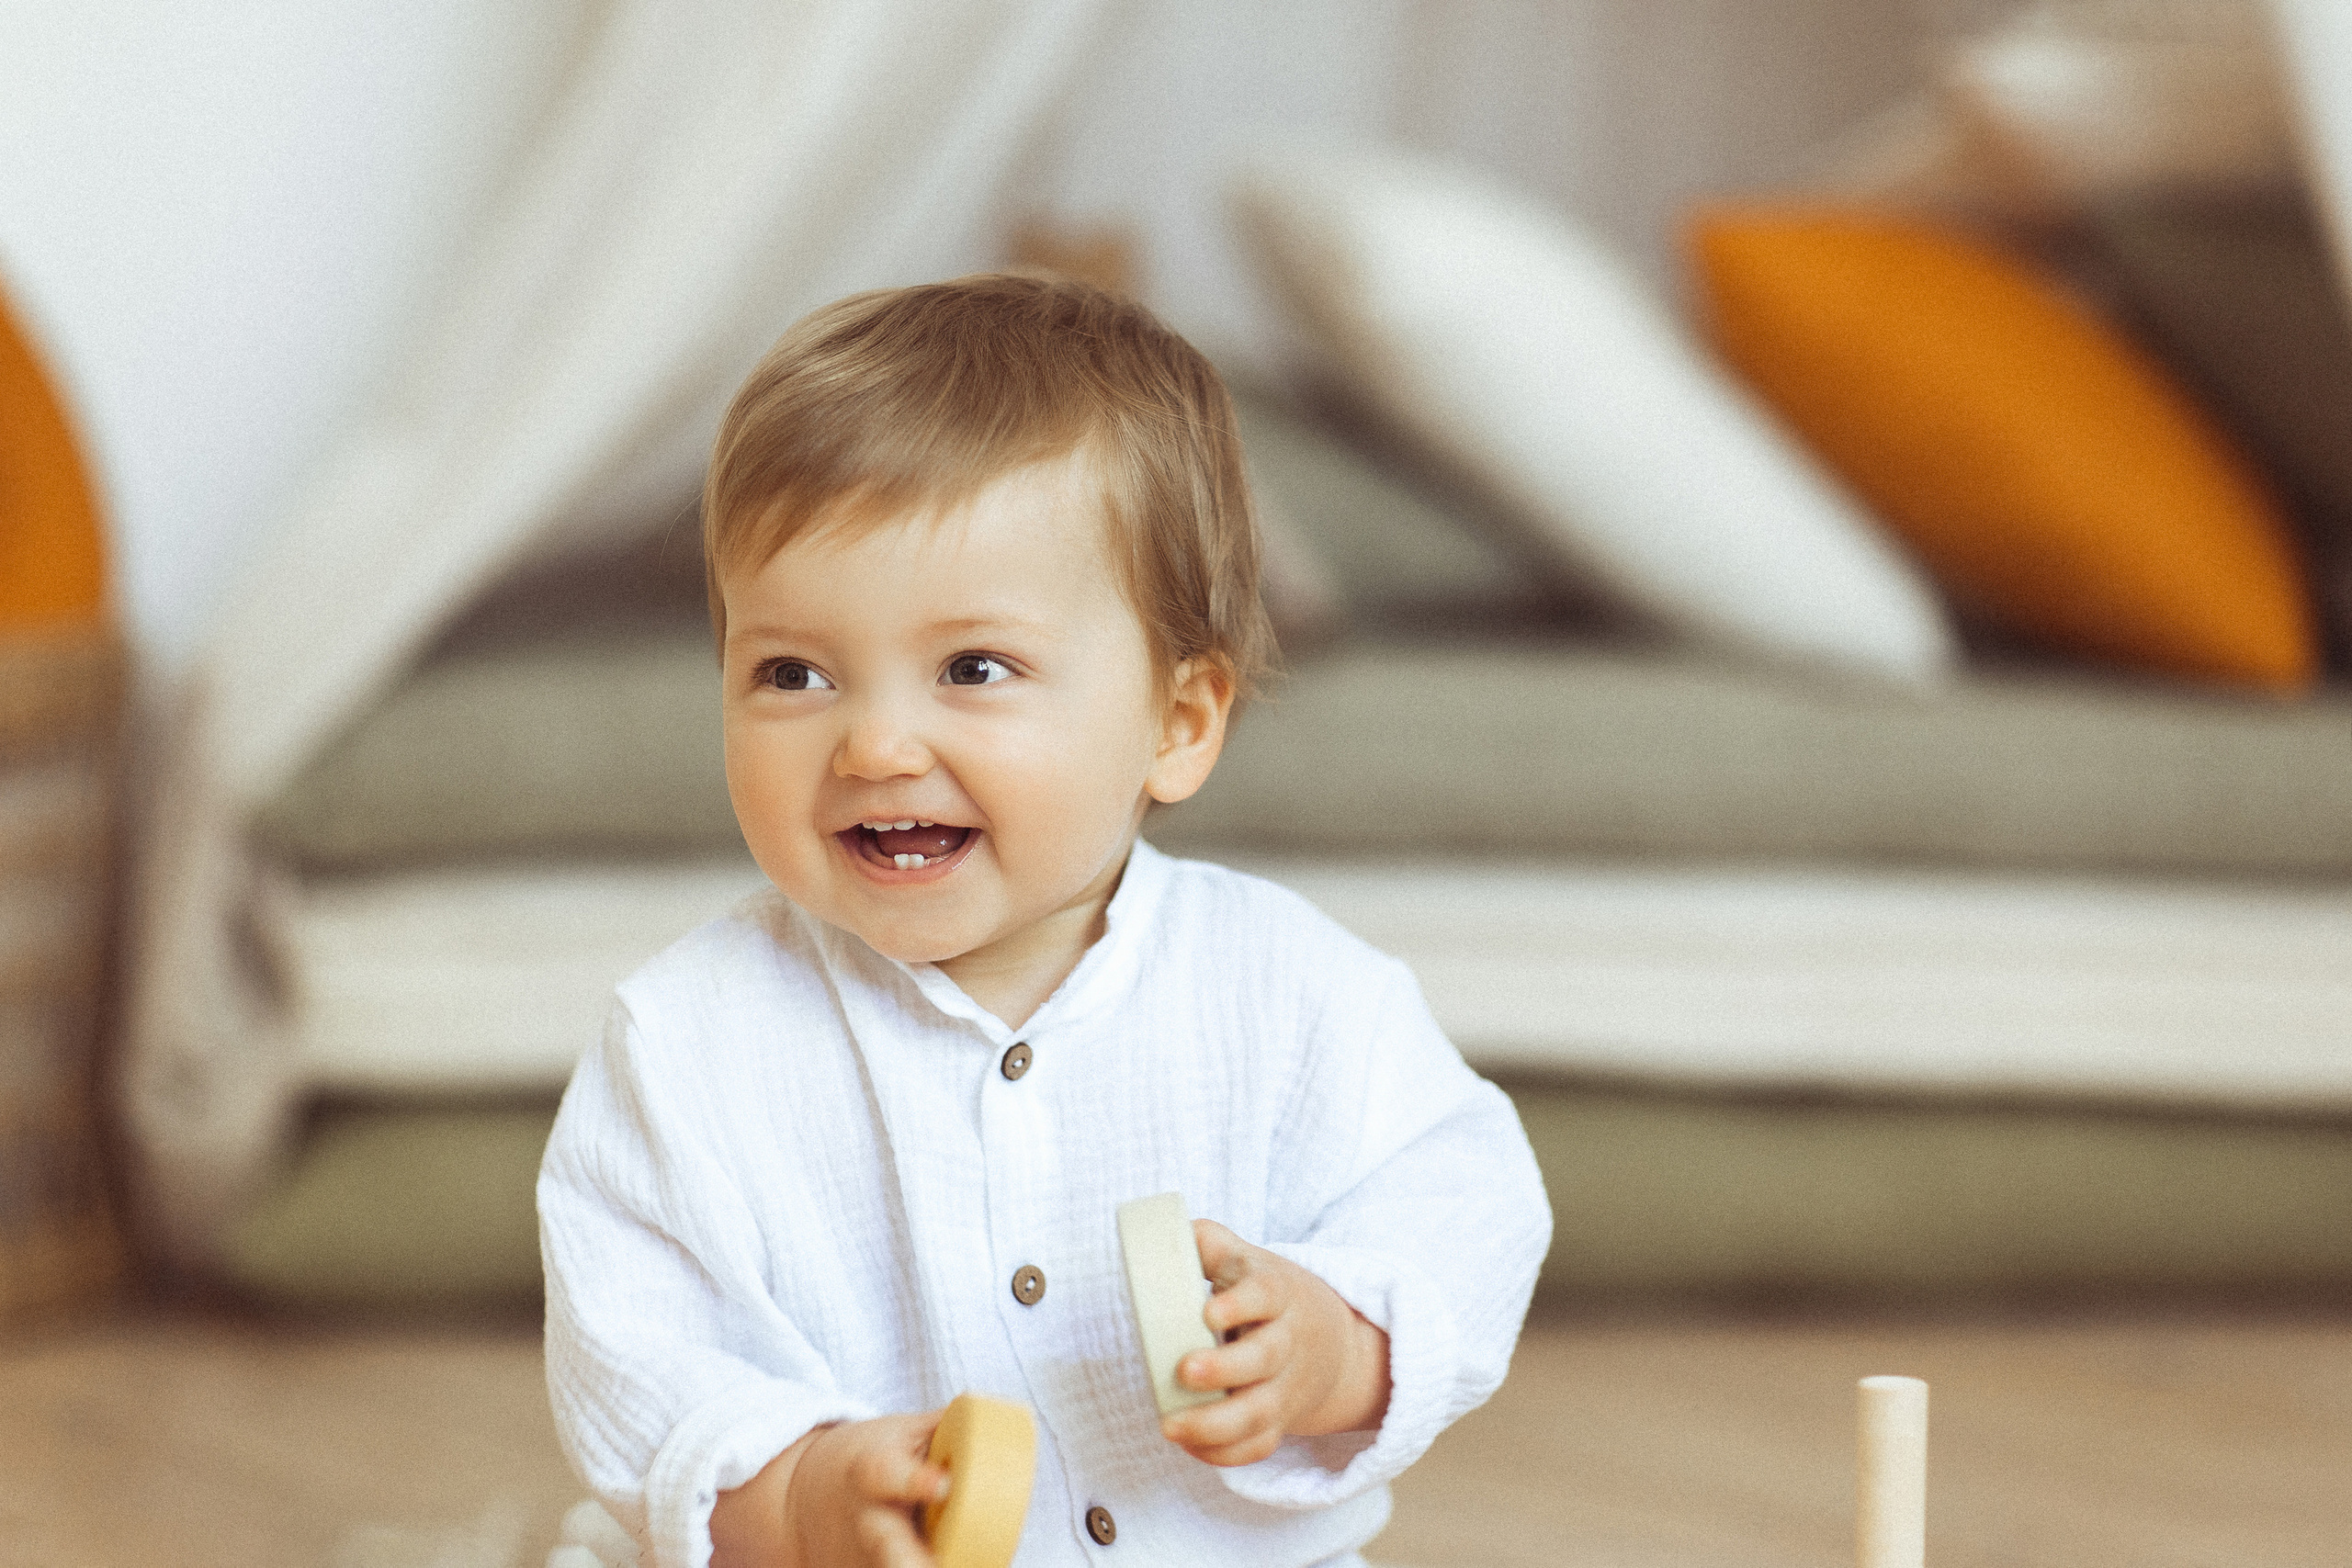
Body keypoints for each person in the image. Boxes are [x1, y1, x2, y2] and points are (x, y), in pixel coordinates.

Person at [538, 273, 1551, 1568]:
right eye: (793, 672)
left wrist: (1338, 1344)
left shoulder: (1292, 991)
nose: (877, 744)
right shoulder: (687, 1044)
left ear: (1178, 724)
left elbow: (1465, 1201)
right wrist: (798, 1496)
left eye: (974, 668)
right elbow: (641, 1364)